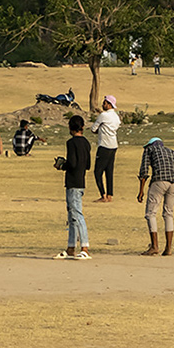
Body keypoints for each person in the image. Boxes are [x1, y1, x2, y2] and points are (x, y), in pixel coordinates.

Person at [136, 136, 174, 256]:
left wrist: (141, 191)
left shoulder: (149, 150)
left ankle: (154, 246)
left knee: (151, 213)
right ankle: (168, 248)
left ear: (151, 145)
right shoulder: (173, 152)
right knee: (168, 213)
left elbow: (144, 171)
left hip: (159, 181)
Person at [57, 114, 92, 260]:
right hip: (81, 181)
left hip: (73, 182)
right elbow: (88, 165)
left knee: (77, 214)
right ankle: (71, 247)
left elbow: (71, 163)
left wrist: (61, 165)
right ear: (82, 127)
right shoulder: (86, 143)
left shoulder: (71, 143)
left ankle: (84, 247)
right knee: (72, 215)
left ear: (70, 128)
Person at [92, 95, 120, 202]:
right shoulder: (116, 117)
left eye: (104, 103)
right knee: (109, 171)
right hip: (114, 145)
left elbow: (93, 129)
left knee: (97, 172)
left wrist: (100, 130)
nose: (103, 105)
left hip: (104, 145)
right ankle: (110, 195)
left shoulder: (103, 115)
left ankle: (103, 195)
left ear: (109, 104)